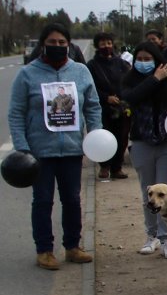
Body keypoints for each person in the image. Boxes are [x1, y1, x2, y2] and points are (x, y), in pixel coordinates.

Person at [8, 23, 102, 270]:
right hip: (39, 153)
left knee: (72, 199)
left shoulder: (80, 71)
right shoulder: (27, 74)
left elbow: (92, 105)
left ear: (69, 45)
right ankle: (44, 250)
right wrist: (22, 147)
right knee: (42, 201)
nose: (58, 46)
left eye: (63, 43)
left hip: (72, 149)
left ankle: (73, 246)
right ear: (43, 44)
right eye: (53, 42)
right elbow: (16, 113)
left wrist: (96, 134)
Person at [120, 40, 167, 259]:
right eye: (139, 59)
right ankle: (151, 236)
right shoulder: (130, 81)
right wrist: (153, 79)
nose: (143, 62)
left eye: (148, 59)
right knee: (147, 194)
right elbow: (130, 99)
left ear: (157, 60)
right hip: (141, 143)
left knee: (165, 193)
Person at [88, 31, 132, 181]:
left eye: (108, 43)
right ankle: (104, 166)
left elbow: (129, 82)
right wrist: (106, 98)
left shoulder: (121, 63)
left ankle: (117, 168)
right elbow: (90, 88)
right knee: (104, 137)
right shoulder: (92, 66)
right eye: (102, 44)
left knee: (122, 138)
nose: (106, 46)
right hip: (102, 108)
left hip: (121, 108)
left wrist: (123, 97)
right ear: (97, 46)